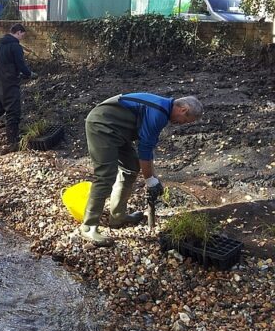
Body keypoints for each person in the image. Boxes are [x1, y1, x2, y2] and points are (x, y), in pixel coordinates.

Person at [80, 93, 203, 247]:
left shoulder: (162, 109)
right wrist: (150, 180)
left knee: (130, 167)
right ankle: (88, 227)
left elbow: (148, 149)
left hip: (118, 130)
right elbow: (144, 151)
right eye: (185, 121)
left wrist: (152, 177)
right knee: (105, 176)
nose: (181, 124)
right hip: (102, 125)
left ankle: (117, 217)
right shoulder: (159, 112)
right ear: (183, 110)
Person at [0, 23, 38, 153]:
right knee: (13, 112)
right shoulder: (15, 47)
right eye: (22, 35)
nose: (22, 38)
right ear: (18, 32)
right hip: (10, 84)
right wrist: (29, 74)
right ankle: (12, 141)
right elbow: (20, 64)